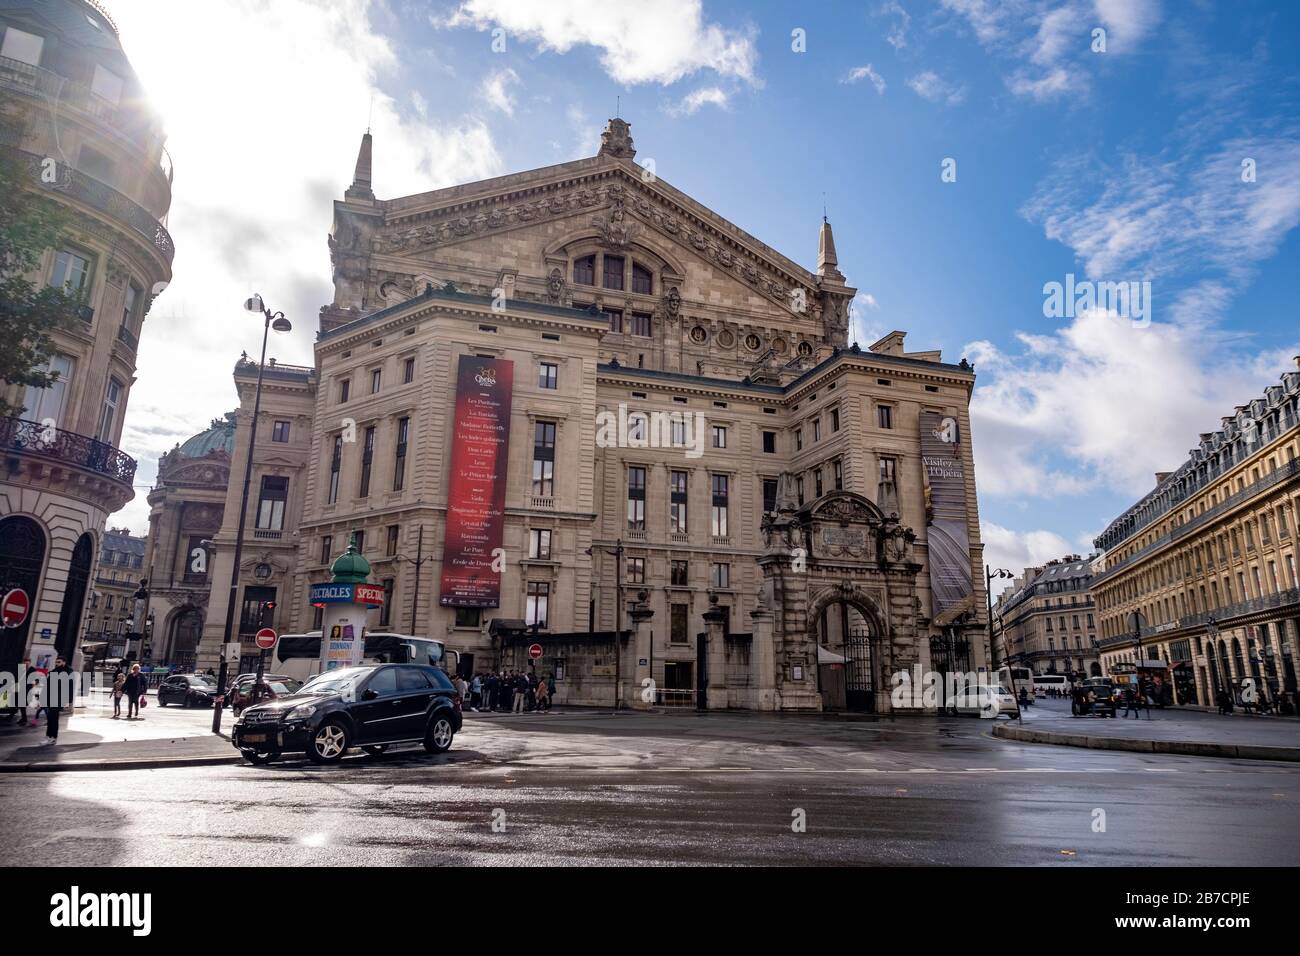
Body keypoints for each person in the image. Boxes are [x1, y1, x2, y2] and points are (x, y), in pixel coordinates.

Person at [43, 656, 74, 745]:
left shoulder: (68, 673)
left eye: (59, 662)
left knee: (53, 718)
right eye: (56, 662)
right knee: (51, 718)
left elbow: (70, 688)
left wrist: (68, 701)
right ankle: (51, 737)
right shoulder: (54, 672)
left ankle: (50, 737)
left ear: (64, 662)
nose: (57, 664)